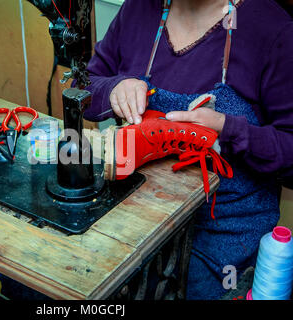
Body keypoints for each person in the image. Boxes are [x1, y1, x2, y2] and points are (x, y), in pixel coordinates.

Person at [84, 0, 293, 299]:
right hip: (135, 219)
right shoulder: (139, 8)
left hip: (219, 242)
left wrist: (230, 130)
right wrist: (114, 88)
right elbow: (86, 85)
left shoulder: (273, 29)